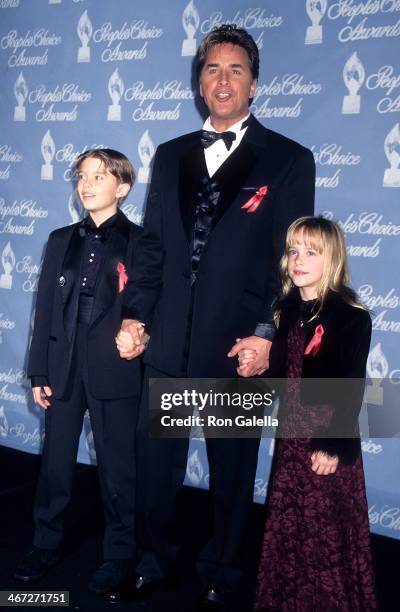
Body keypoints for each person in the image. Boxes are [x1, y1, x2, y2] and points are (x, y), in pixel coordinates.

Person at [115, 25, 315, 610]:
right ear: (198, 82)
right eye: (211, 69)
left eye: (234, 70)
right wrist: (135, 318)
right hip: (168, 345)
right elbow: (150, 249)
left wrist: (266, 334)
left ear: (254, 84)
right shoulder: (171, 153)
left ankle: (222, 574)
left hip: (236, 350)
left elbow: (291, 260)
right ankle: (155, 561)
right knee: (157, 472)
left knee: (231, 476)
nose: (221, 80)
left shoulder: (287, 159)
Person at [14, 149, 144, 594]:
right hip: (63, 367)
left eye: (99, 176)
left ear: (122, 188)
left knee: (118, 469)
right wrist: (37, 372)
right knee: (55, 465)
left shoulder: (143, 243)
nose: (86, 185)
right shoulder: (59, 239)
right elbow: (45, 310)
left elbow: (148, 310)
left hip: (115, 370)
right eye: (81, 176)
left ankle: (119, 554)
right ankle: (45, 544)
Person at [252, 216, 378, 611]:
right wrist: (254, 366)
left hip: (326, 442)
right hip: (291, 438)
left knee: (323, 532)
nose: (299, 260)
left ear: (333, 259)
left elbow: (350, 387)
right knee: (291, 525)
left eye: (311, 252)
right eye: (293, 251)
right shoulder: (288, 308)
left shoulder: (351, 315)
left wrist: (330, 446)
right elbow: (282, 375)